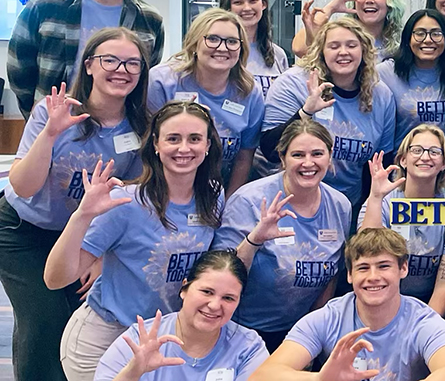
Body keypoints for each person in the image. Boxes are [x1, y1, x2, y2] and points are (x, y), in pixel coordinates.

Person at [0, 27, 149, 381]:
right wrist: (51, 133)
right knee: (44, 320)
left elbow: (127, 195)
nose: (121, 70)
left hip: (83, 238)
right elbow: (23, 185)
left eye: (132, 63)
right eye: (109, 60)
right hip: (24, 232)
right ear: (89, 66)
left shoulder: (141, 125)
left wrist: (100, 256)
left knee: (75, 317)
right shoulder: (53, 112)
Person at [45, 101, 225, 381]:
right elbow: (55, 279)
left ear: (208, 146)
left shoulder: (213, 196)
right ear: (155, 144)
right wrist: (82, 216)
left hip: (165, 336)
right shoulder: (126, 202)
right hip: (106, 337)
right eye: (173, 139)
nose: (184, 148)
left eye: (195, 139)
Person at [249, 227, 445, 381]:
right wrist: (321, 378)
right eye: (363, 268)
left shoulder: (423, 321)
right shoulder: (329, 317)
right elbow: (264, 375)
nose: (373, 277)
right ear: (350, 275)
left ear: (403, 269)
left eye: (384, 266)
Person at [213, 118, 353, 351]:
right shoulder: (249, 200)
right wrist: (254, 240)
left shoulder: (340, 205)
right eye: (298, 155)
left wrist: (312, 333)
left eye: (317, 154)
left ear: (330, 157)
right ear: (282, 158)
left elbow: (333, 273)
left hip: (298, 331)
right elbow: (219, 276)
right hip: (239, 329)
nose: (308, 163)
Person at [8, 0, 164, 118]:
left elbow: (145, 76)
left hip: (119, 126)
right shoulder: (45, 4)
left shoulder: (149, 20)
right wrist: (37, 112)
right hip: (53, 121)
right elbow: (18, 67)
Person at [359, 124, 445, 365]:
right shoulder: (385, 201)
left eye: (434, 151)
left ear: (444, 163)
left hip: (430, 300)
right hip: (383, 297)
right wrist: (376, 198)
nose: (425, 156)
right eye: (417, 150)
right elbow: (366, 255)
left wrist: (419, 327)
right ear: (402, 159)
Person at [260, 17, 396, 207]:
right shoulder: (294, 84)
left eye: (351, 45)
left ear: (364, 51)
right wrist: (306, 111)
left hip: (347, 204)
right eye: (334, 46)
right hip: (290, 201)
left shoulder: (381, 95)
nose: (343, 52)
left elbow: (380, 163)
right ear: (321, 52)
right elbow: (270, 151)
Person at [93, 249, 268, 381]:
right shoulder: (139, 340)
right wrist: (133, 371)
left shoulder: (248, 347)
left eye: (228, 298)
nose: (215, 305)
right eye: (207, 292)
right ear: (184, 288)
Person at [148, 8, 264, 194]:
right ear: (194, 43)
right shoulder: (163, 82)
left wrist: (230, 204)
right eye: (212, 39)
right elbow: (148, 146)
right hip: (164, 191)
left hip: (221, 192)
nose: (222, 47)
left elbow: (245, 156)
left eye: (232, 41)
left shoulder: (249, 92)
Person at [379, 9, 445, 152]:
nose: (428, 40)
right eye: (420, 33)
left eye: (436, 34)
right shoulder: (388, 71)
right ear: (407, 39)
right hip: (404, 169)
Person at [293, 0, 406, 62]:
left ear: (390, 4)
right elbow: (300, 49)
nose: (369, 0)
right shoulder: (338, 33)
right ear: (353, 2)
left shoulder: (400, 41)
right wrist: (331, 8)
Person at [219, 0, 290, 97]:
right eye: (238, 2)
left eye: (253, 1)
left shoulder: (278, 54)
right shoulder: (219, 52)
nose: (247, 8)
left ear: (264, 4)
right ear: (227, 8)